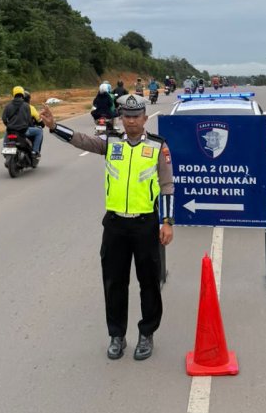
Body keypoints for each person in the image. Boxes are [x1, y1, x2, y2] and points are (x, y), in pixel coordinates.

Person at [39, 94, 175, 361]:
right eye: (127, 116)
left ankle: (146, 334)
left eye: (136, 117)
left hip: (145, 224)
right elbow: (83, 140)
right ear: (121, 119)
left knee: (149, 282)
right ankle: (117, 335)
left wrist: (167, 222)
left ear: (145, 119)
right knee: (114, 283)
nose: (131, 121)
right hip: (115, 225)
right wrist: (55, 127)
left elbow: (167, 185)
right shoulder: (111, 143)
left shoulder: (159, 147)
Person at [23, 90, 44, 159]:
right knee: (39, 131)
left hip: (13, 130)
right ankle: (35, 151)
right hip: (25, 129)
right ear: (28, 99)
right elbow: (39, 120)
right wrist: (42, 123)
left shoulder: (13, 107)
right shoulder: (30, 108)